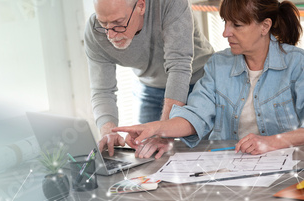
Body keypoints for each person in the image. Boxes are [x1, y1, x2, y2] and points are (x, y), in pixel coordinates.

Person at [112, 0, 304, 157]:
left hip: (286, 168)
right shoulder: (218, 64)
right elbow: (195, 115)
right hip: (230, 170)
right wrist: (155, 128)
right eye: (225, 23)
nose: (225, 33)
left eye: (236, 25)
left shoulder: (297, 63)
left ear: (265, 26)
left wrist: (271, 142)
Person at [85, 0, 214, 157]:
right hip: (149, 87)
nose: (110, 35)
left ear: (141, 6)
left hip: (197, 83)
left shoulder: (170, 4)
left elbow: (179, 67)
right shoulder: (95, 32)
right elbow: (102, 90)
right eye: (103, 23)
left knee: (202, 155)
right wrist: (108, 132)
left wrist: (164, 132)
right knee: (148, 157)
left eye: (118, 23)